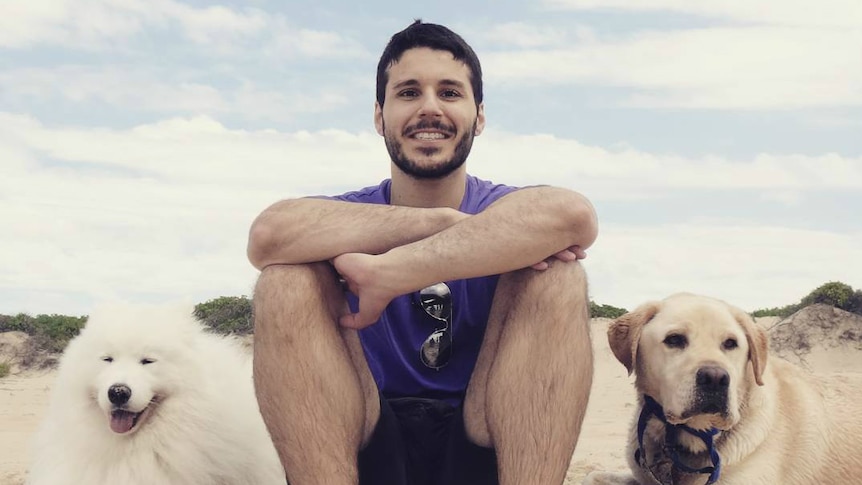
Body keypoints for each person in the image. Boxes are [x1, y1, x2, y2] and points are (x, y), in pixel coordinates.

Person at [247, 19, 598, 485]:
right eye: (409, 93)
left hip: (487, 431)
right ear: (379, 116)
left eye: (450, 93)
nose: (429, 108)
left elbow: (573, 216)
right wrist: (437, 224)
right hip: (362, 433)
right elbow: (268, 235)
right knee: (285, 281)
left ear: (479, 116)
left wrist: (392, 272)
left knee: (557, 277)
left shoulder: (503, 208)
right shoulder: (347, 215)